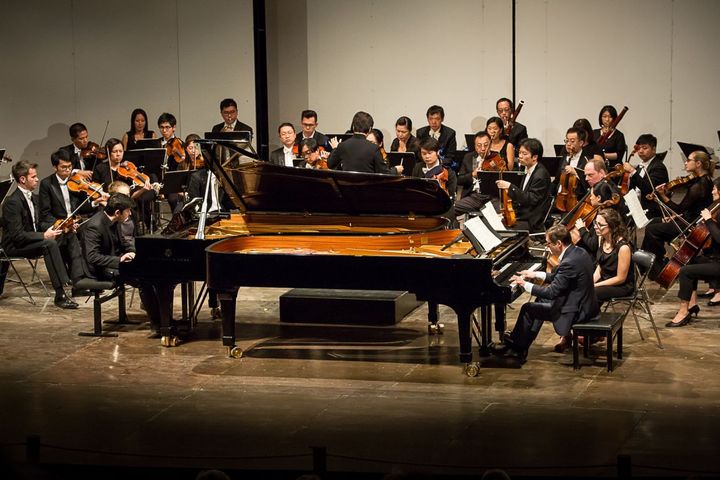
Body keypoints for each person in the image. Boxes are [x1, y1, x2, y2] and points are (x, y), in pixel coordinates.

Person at [501, 224, 599, 362]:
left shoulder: (569, 262)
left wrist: (524, 284)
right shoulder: (579, 252)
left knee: (528, 308)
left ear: (558, 243)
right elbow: (560, 278)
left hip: (576, 311)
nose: (547, 247)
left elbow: (552, 292)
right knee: (540, 302)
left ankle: (517, 347)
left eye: (548, 244)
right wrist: (534, 274)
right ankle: (520, 347)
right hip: (584, 304)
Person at [77, 193, 166, 335]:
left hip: (114, 263)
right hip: (99, 270)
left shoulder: (114, 221)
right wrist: (119, 260)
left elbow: (123, 243)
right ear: (118, 212)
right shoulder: (94, 226)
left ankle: (164, 320)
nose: (130, 214)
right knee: (144, 280)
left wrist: (134, 252)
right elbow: (92, 257)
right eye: (128, 211)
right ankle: (159, 325)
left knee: (152, 273)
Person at [1, 161, 79, 308]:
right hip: (14, 246)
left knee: (66, 235)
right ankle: (61, 292)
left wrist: (62, 227)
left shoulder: (35, 198)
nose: (37, 179)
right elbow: (17, 235)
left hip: (31, 241)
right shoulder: (12, 202)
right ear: (23, 179)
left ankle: (76, 281)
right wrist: (44, 236)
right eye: (34, 177)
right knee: (48, 244)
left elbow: (39, 224)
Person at [643, 150, 714, 279]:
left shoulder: (699, 186)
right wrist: (676, 216)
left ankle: (657, 267)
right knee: (654, 222)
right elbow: (690, 208)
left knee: (652, 230)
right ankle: (648, 263)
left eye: (688, 160)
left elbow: (678, 208)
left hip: (692, 224)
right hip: (689, 218)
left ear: (698, 164)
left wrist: (663, 196)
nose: (685, 163)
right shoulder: (700, 180)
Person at [38, 149, 99, 293]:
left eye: (69, 167)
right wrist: (66, 224)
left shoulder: (74, 182)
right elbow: (45, 214)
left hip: (73, 222)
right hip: (54, 224)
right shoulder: (47, 184)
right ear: (55, 167)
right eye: (63, 167)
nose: (67, 170)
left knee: (92, 232)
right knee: (70, 236)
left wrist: (96, 203)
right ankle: (78, 282)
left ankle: (92, 275)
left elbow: (79, 209)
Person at [667, 178, 720, 327]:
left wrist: (709, 220)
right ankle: (691, 304)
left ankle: (683, 312)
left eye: (715, 189)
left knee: (685, 271)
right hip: (713, 259)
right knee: (688, 261)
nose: (712, 191)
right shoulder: (716, 208)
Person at [92, 138, 157, 233]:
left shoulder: (127, 170)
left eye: (120, 151)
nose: (118, 154)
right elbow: (95, 189)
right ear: (108, 152)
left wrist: (143, 189)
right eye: (114, 151)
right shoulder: (100, 168)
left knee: (133, 212)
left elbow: (132, 196)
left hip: (125, 204)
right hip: (107, 203)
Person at [495, 138, 551, 233]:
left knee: (498, 229)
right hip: (524, 215)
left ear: (534, 157)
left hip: (531, 220)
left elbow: (530, 200)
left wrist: (510, 186)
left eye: (524, 154)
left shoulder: (540, 175)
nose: (520, 156)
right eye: (520, 153)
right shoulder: (528, 169)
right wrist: (506, 214)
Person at [621, 134, 669, 219]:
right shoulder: (640, 166)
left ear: (654, 149)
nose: (640, 151)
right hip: (637, 206)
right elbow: (633, 188)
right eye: (639, 148)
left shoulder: (658, 167)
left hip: (651, 209)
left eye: (645, 148)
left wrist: (632, 171)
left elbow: (648, 188)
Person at [454, 131, 493, 216]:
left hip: (491, 198)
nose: (483, 148)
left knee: (496, 214)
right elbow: (460, 179)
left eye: (486, 145)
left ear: (490, 145)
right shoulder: (469, 157)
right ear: (475, 146)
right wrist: (472, 174)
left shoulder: (496, 158)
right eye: (479, 145)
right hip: (473, 196)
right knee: (451, 208)